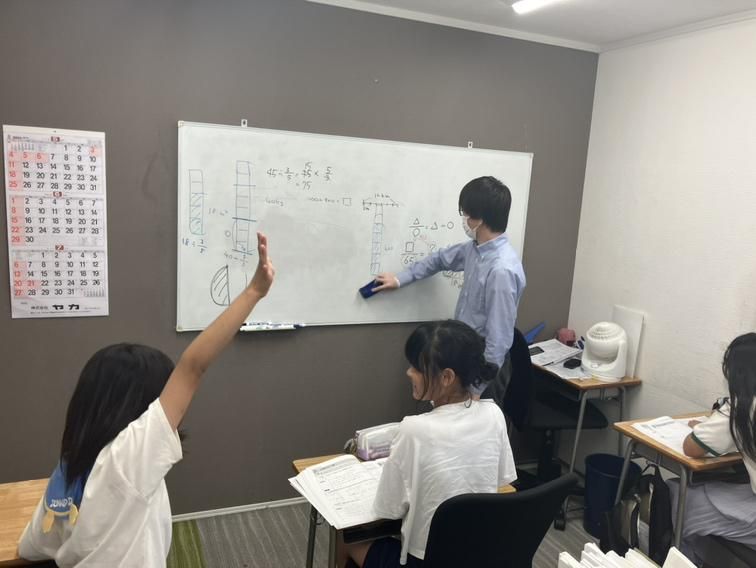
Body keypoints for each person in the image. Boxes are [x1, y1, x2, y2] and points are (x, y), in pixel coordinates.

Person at [17, 233, 275, 567]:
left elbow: (30, 547)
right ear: (139, 409)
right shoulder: (126, 460)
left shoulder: (68, 471)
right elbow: (192, 367)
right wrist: (254, 291)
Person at [339, 320, 517, 568]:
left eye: (416, 367)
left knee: (345, 540)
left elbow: (387, 509)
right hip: (479, 554)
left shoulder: (414, 429)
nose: (409, 373)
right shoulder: (494, 414)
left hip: (425, 561)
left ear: (446, 377)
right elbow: (502, 481)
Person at [373, 176, 526, 396]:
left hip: (485, 364)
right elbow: (439, 259)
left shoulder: (502, 270)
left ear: (479, 218)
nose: (464, 219)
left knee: (474, 417)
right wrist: (399, 279)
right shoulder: (474, 249)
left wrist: (476, 388)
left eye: (465, 213)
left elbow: (498, 340)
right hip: (465, 351)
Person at [671, 333, 756, 561]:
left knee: (681, 497)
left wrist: (709, 425)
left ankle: (681, 560)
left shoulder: (741, 408)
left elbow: (691, 448)